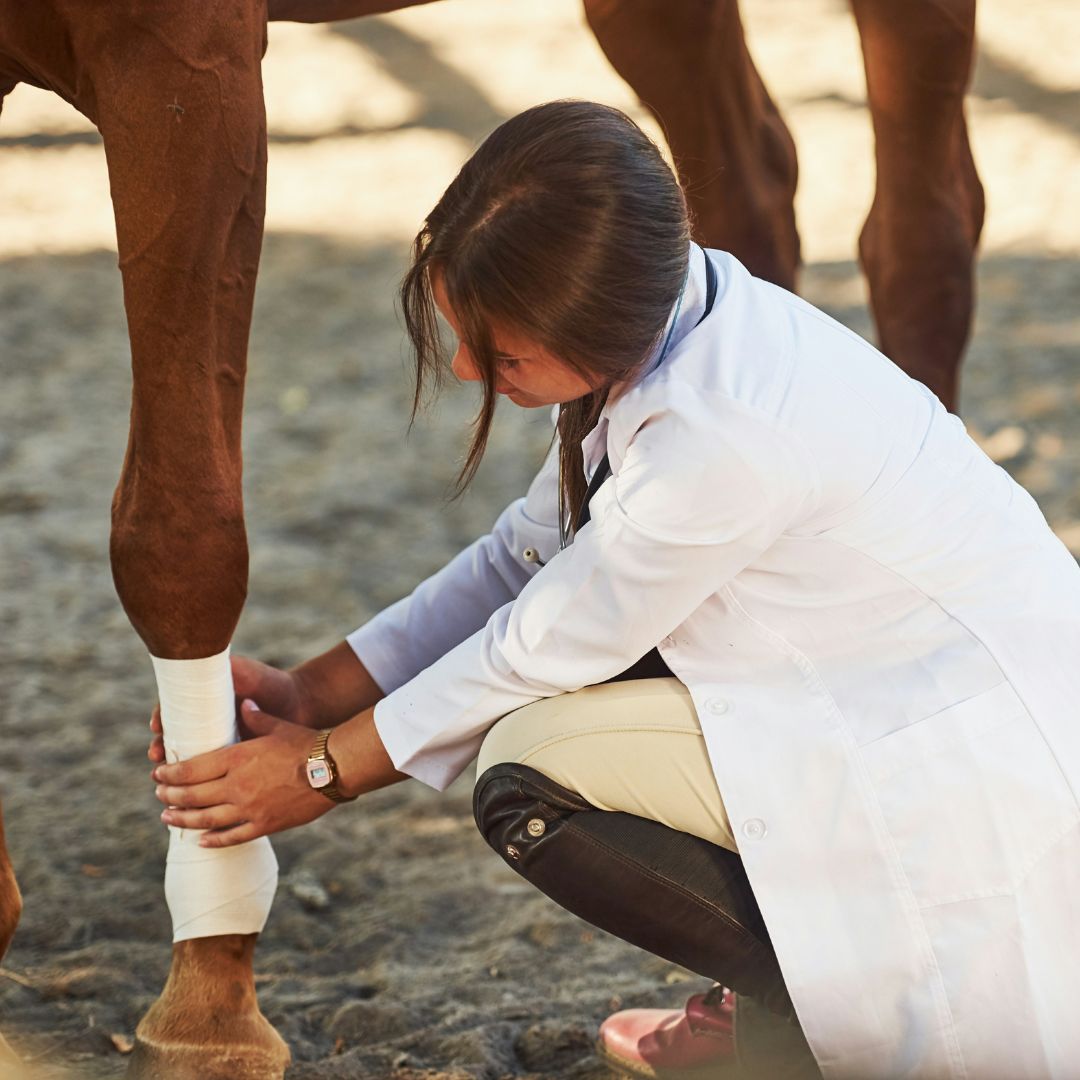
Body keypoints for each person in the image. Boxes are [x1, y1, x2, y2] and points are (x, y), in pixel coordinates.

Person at [147, 100, 1080, 1079]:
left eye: (504, 354)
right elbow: (527, 554)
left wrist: (320, 771)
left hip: (963, 757)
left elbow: (538, 646)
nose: (469, 368)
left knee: (526, 770)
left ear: (601, 322)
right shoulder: (689, 311)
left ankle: (799, 1008)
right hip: (895, 688)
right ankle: (795, 982)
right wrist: (312, 693)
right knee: (570, 689)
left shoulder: (718, 438)